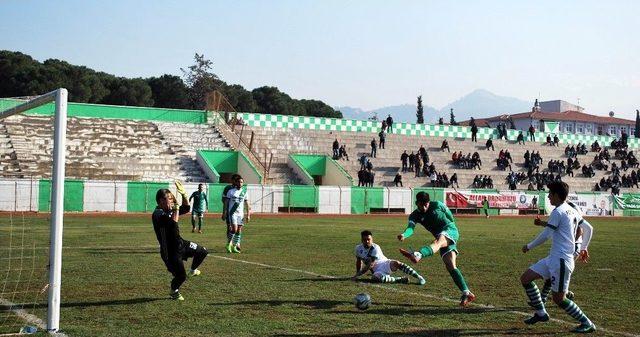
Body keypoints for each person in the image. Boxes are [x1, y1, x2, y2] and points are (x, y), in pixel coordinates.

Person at [519, 182, 596, 333]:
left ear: (556, 195)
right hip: (554, 258)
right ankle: (541, 313)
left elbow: (547, 234)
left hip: (561, 261)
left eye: (550, 194)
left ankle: (587, 323)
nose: (548, 196)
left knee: (559, 299)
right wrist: (584, 248)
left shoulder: (558, 211)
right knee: (526, 278)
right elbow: (589, 228)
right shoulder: (570, 210)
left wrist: (529, 246)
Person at [397, 192, 476, 307]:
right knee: (450, 265)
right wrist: (404, 234)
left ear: (428, 202)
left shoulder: (438, 205)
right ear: (416, 203)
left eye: (426, 204)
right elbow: (410, 228)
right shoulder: (414, 215)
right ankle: (466, 293)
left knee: (438, 242)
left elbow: (450, 217)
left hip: (450, 230)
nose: (424, 207)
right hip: (441, 237)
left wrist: (450, 228)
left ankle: (419, 254)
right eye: (421, 205)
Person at [152, 182, 208, 301]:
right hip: (170, 252)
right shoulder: (157, 214)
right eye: (169, 199)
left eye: (172, 199)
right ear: (160, 201)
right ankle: (174, 291)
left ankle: (192, 270)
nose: (171, 201)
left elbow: (187, 208)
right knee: (180, 276)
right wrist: (176, 208)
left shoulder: (170, 209)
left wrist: (184, 195)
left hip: (180, 244)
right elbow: (173, 223)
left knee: (203, 251)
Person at [353, 230, 425, 284]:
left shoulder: (375, 248)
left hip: (385, 264)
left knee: (397, 263)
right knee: (375, 278)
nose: (367, 241)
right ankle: (399, 280)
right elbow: (359, 261)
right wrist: (357, 273)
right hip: (377, 271)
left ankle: (419, 277)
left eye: (369, 239)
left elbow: (371, 264)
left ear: (372, 239)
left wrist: (359, 274)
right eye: (365, 240)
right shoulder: (358, 248)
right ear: (361, 240)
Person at [225, 175, 250, 253]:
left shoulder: (244, 192)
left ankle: (234, 246)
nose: (240, 183)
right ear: (236, 182)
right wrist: (225, 212)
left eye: (241, 182)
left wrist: (248, 214)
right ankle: (228, 244)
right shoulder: (231, 191)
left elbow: (247, 204)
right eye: (239, 182)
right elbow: (226, 202)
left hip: (241, 214)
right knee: (234, 229)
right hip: (232, 213)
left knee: (239, 230)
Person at [221, 174, 240, 248]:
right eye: (235, 180)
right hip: (230, 211)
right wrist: (224, 212)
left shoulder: (241, 189)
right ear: (232, 180)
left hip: (238, 212)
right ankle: (230, 241)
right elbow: (224, 200)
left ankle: (237, 242)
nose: (236, 181)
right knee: (229, 227)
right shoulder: (228, 188)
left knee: (238, 227)